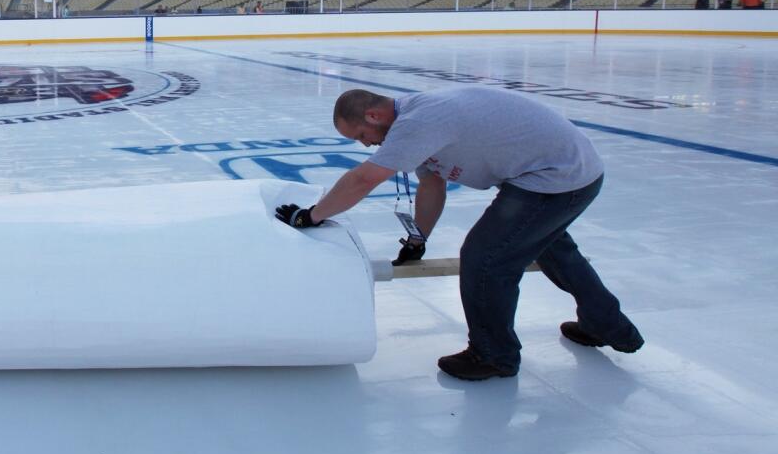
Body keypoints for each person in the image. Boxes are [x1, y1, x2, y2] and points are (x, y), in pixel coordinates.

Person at [275, 86, 643, 381]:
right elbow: (432, 184)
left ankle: (493, 355)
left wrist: (311, 215)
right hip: (560, 172)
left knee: (486, 258)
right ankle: (609, 326)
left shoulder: (418, 122)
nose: (365, 144)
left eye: (361, 135)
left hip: (558, 178)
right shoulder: (414, 118)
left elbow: (364, 179)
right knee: (553, 250)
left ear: (373, 115)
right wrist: (419, 237)